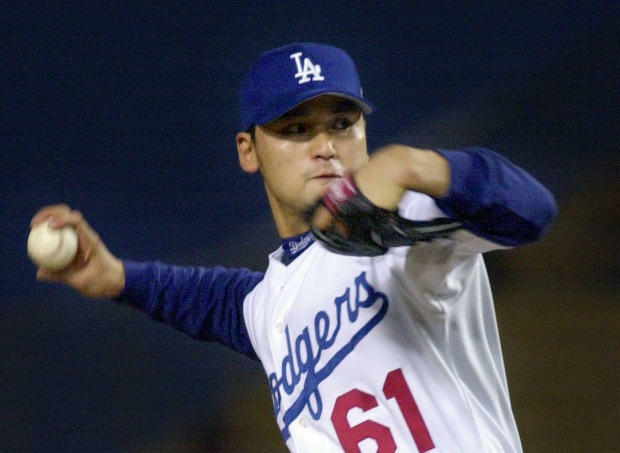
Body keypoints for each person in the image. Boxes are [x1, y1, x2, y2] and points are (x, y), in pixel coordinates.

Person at [31, 42, 557, 452]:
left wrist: (412, 165)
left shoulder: (408, 221)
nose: (326, 146)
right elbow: (218, 303)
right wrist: (118, 276)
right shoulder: (272, 305)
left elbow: (534, 211)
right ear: (249, 150)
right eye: (297, 129)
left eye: (342, 124)